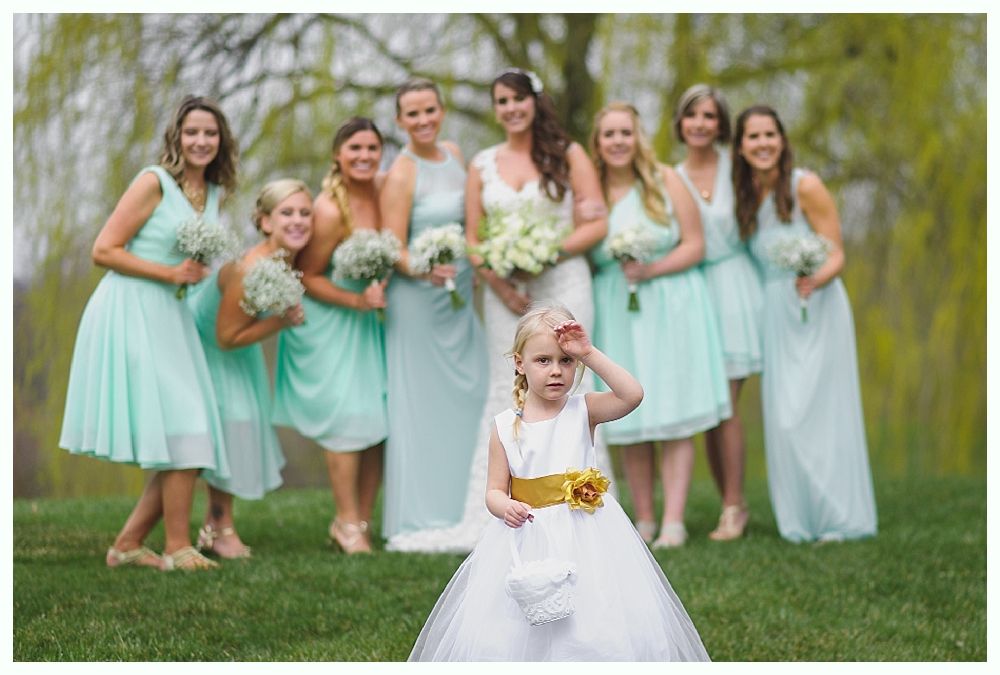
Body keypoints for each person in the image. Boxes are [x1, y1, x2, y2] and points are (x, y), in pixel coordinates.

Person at [409, 303, 710, 661]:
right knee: (517, 623)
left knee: (593, 614)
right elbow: (493, 490)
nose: (556, 372)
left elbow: (633, 395)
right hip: (528, 535)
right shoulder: (505, 427)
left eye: (565, 362)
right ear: (520, 363)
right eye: (543, 361)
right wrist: (506, 506)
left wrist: (588, 351)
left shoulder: (584, 410)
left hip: (587, 534)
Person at [405, 68, 612, 554]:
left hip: (563, 280)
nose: (511, 109)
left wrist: (547, 254)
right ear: (496, 108)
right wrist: (500, 282)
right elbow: (473, 240)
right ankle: (502, 504)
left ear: (535, 102)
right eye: (502, 101)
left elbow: (595, 222)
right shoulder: (482, 164)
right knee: (509, 388)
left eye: (519, 99)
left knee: (567, 383)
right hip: (505, 296)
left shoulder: (569, 155)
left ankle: (579, 498)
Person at [59, 95, 238, 571]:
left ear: (222, 140)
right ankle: (178, 549)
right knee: (184, 423)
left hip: (173, 317)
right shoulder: (153, 182)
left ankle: (128, 544)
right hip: (131, 309)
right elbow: (104, 249)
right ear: (177, 137)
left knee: (187, 430)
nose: (201, 141)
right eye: (193, 132)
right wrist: (169, 274)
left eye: (211, 133)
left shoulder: (215, 192)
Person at [589, 102, 731, 548]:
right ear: (597, 143)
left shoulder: (666, 180)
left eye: (625, 133)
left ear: (638, 138)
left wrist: (652, 269)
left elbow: (696, 245)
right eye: (608, 134)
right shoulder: (590, 192)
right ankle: (644, 518)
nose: (617, 142)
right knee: (628, 415)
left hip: (670, 303)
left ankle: (673, 520)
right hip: (615, 305)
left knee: (672, 409)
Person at [733, 104, 877, 542]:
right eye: (753, 137)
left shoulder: (805, 186)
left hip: (817, 306)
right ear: (740, 146)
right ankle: (801, 520)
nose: (762, 144)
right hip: (776, 315)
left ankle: (840, 519)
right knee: (786, 418)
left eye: (769, 135)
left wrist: (813, 279)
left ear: (782, 140)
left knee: (820, 414)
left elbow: (836, 251)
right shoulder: (746, 195)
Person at [379, 78, 489, 551]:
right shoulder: (402, 172)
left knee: (473, 392)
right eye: (412, 114)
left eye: (430, 110)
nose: (423, 121)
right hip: (419, 301)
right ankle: (422, 514)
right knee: (423, 404)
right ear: (400, 121)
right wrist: (423, 268)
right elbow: (391, 246)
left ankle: (464, 504)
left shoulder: (453, 153)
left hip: (459, 296)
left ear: (441, 111)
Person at [272, 118, 388, 554]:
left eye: (372, 148)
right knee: (348, 421)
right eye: (354, 148)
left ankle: (362, 521)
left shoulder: (381, 195)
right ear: (337, 155)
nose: (364, 156)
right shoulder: (327, 208)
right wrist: (357, 301)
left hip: (369, 324)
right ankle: (344, 521)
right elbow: (308, 275)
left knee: (378, 424)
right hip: (332, 321)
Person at [185, 179, 311, 558]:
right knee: (230, 428)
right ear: (264, 221)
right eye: (286, 212)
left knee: (236, 429)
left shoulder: (284, 261)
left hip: (239, 353)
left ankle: (215, 526)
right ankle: (219, 529)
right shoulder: (248, 268)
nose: (298, 220)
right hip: (211, 351)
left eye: (305, 213)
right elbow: (225, 336)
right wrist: (281, 322)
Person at [673, 84, 764, 541]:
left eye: (709, 116)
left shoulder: (739, 168)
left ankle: (733, 506)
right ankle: (733, 502)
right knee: (710, 404)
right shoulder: (671, 177)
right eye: (692, 116)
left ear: (721, 124)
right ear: (680, 123)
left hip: (736, 290)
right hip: (693, 292)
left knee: (726, 401)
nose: (701, 124)